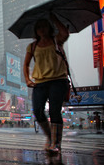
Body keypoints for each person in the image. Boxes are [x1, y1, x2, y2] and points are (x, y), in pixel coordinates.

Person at [23, 14, 69, 153]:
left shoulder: (57, 41)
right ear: (36, 31)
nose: (42, 30)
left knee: (55, 111)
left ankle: (56, 143)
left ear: (49, 28)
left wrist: (54, 17)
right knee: (37, 110)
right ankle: (50, 137)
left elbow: (65, 34)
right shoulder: (33, 46)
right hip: (40, 82)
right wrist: (27, 79)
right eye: (39, 28)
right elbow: (26, 64)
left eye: (44, 26)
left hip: (58, 80)